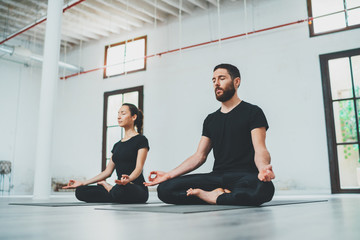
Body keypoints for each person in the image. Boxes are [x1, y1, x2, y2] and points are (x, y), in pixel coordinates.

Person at [144, 63, 275, 206]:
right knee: (165, 189)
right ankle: (222, 195)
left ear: (236, 82)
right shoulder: (210, 119)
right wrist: (169, 175)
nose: (216, 84)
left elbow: (260, 149)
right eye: (213, 80)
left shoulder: (253, 112)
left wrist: (263, 168)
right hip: (217, 177)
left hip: (243, 176)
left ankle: (213, 197)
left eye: (222, 78)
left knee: (264, 189)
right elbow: (199, 156)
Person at [63, 103, 150, 204]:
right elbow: (107, 172)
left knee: (120, 190)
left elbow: (139, 168)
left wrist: (128, 179)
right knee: (80, 191)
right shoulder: (117, 145)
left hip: (135, 188)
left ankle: (108, 187)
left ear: (133, 117)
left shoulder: (141, 140)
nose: (119, 116)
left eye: (123, 113)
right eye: (118, 114)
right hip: (120, 187)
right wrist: (83, 182)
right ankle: (112, 192)